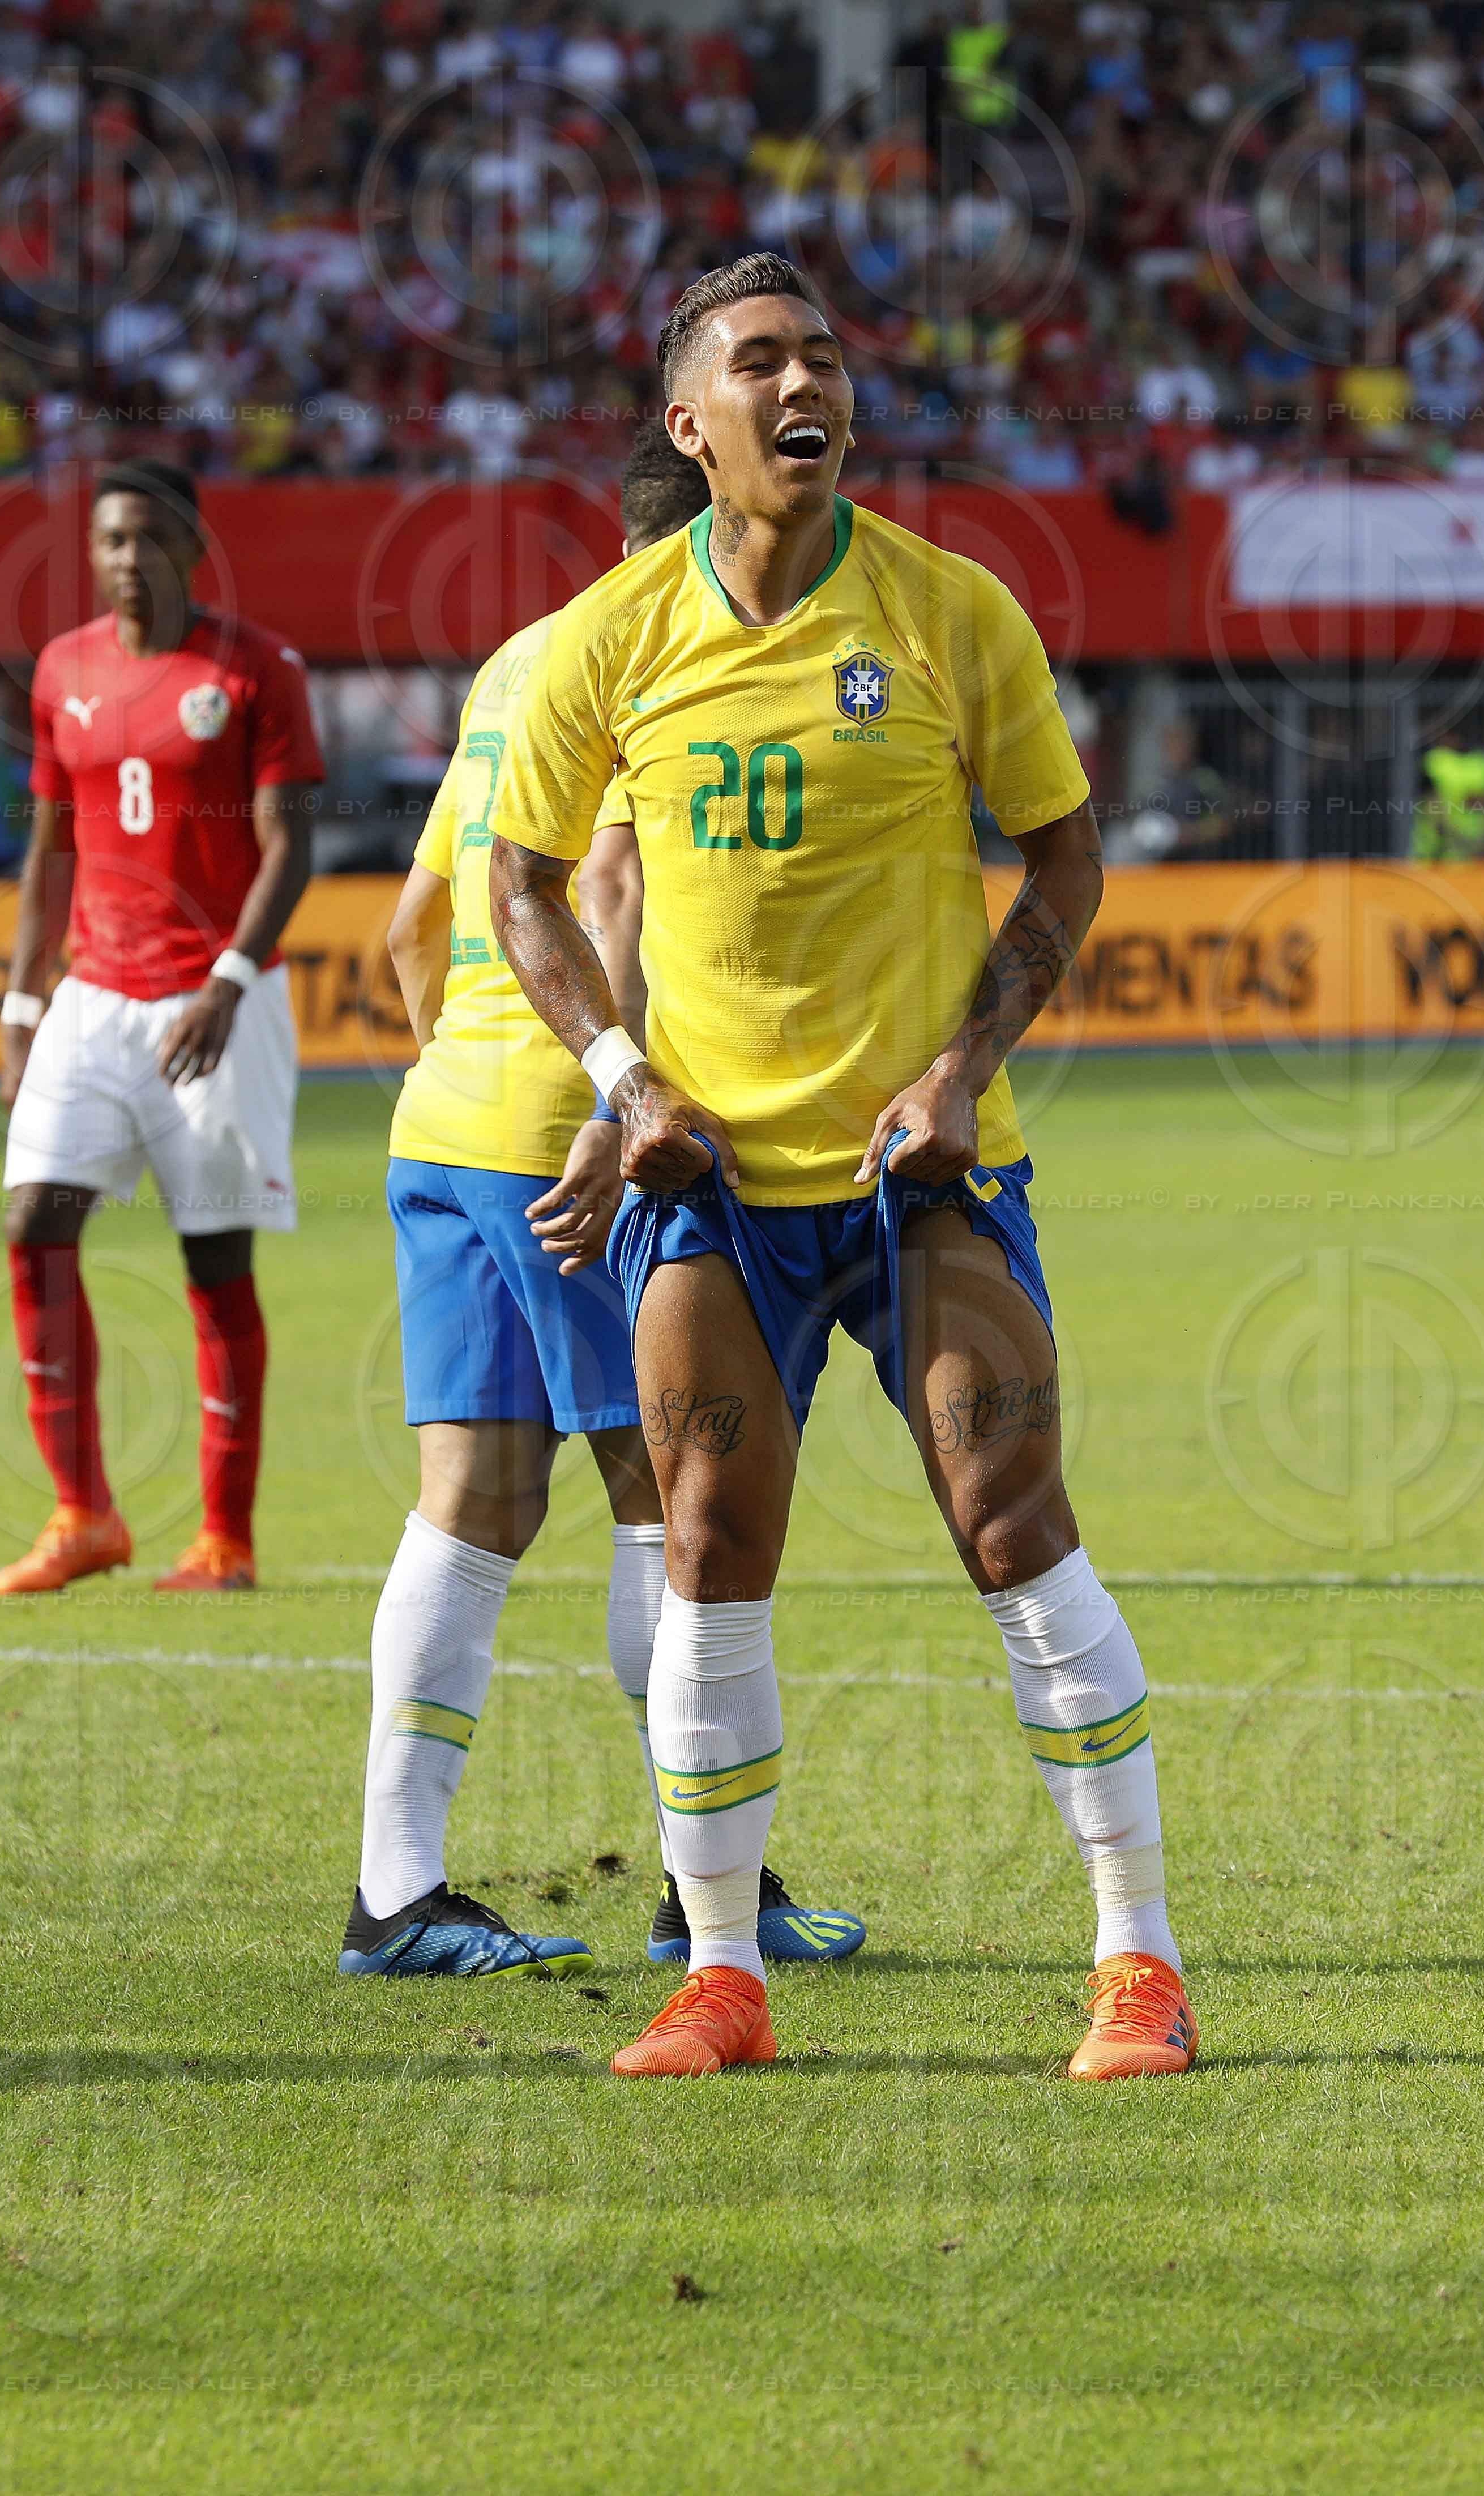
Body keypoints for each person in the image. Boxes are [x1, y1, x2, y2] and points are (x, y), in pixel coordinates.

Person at [485, 253, 1195, 2084]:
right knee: (714, 1548)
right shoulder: (613, 639)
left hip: (919, 1171)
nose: (808, 384)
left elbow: (1061, 857)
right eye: (761, 362)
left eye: (825, 356)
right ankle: (721, 1971)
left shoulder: (954, 613)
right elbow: (527, 881)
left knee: (1014, 1520)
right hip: (712, 1181)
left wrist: (963, 1069)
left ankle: (1140, 1960)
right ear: (688, 422)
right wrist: (623, 1075)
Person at [348, 426, 868, 1981]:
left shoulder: (519, 664)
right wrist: (613, 1091)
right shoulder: (666, 653)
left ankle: (396, 1894)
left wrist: (472, 1068)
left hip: (443, 1121)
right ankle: (715, 1889)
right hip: (563, 1136)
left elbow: (411, 922)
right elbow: (625, 889)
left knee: (475, 1503)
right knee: (673, 1503)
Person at [0, 459, 323, 1597]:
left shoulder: (258, 667)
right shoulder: (63, 668)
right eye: (107, 539)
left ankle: (224, 1537)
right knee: (35, 1220)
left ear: (188, 545)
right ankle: (83, 1511)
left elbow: (292, 841)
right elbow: (48, 847)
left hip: (218, 1002)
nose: (124, 559)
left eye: (144, 537)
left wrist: (229, 980)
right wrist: (22, 1004)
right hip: (93, 995)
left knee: (214, 1257)